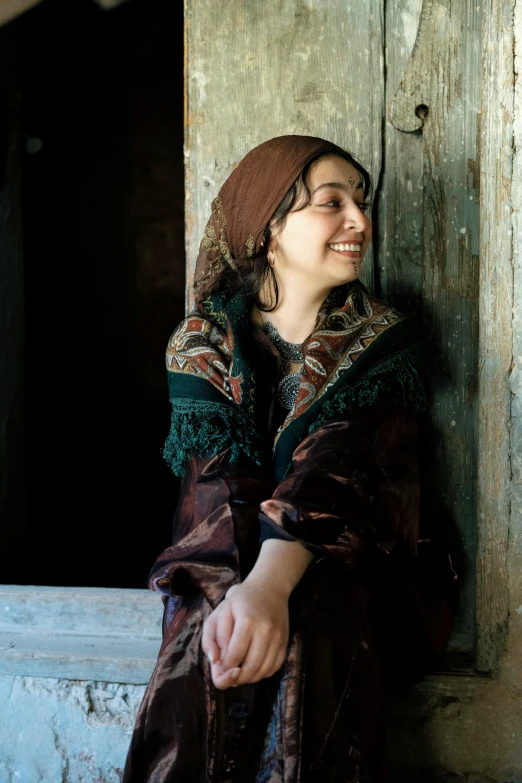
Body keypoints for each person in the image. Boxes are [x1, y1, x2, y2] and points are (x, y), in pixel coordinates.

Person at [122, 135, 458, 783]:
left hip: (368, 564)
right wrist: (243, 598)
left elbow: (334, 479)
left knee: (314, 599)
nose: (359, 219)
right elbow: (216, 494)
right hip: (235, 556)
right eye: (332, 202)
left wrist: (270, 587)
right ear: (271, 226)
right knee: (205, 613)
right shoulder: (203, 340)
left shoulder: (379, 340)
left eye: (361, 201)